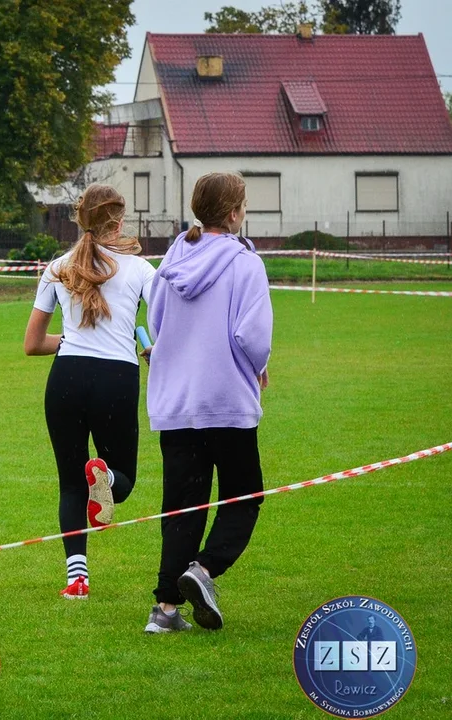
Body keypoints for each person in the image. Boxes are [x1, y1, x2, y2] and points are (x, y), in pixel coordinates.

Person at [143, 172, 273, 634]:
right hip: (226, 402)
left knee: (182, 505)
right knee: (244, 496)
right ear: (235, 213)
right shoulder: (245, 264)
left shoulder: (171, 260)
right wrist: (260, 365)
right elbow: (251, 333)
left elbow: (155, 324)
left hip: (176, 401)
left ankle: (165, 611)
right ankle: (204, 569)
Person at [23, 184, 155, 600]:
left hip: (66, 378)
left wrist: (70, 341)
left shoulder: (58, 266)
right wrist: (152, 346)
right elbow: (172, 322)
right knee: (126, 480)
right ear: (118, 220)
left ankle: (76, 579)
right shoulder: (140, 269)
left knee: (69, 484)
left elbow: (32, 343)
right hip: (116, 377)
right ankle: (107, 476)